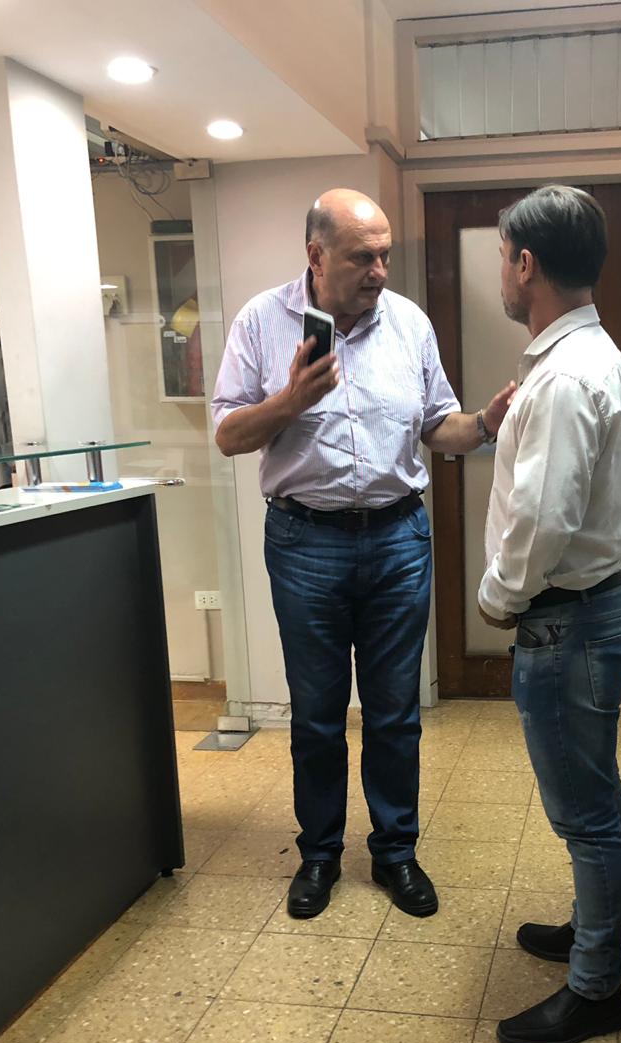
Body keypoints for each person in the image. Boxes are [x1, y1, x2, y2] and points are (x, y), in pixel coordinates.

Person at [212, 189, 515, 920]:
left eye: (385, 255)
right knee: (317, 714)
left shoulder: (408, 323)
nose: (380, 270)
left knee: (393, 713)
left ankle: (395, 852)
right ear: (316, 256)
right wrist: (290, 400)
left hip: (397, 541)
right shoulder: (260, 321)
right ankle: (319, 855)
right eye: (362, 258)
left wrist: (483, 423)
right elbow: (227, 435)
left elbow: (436, 425)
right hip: (304, 543)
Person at [478, 185, 621, 1043]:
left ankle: (595, 987)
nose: (500, 275)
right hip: (592, 610)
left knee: (586, 812)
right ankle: (592, 931)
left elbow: (541, 522)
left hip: (567, 620)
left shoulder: (567, 376)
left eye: (502, 259)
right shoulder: (584, 357)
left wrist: (497, 597)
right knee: (592, 796)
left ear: (526, 263)